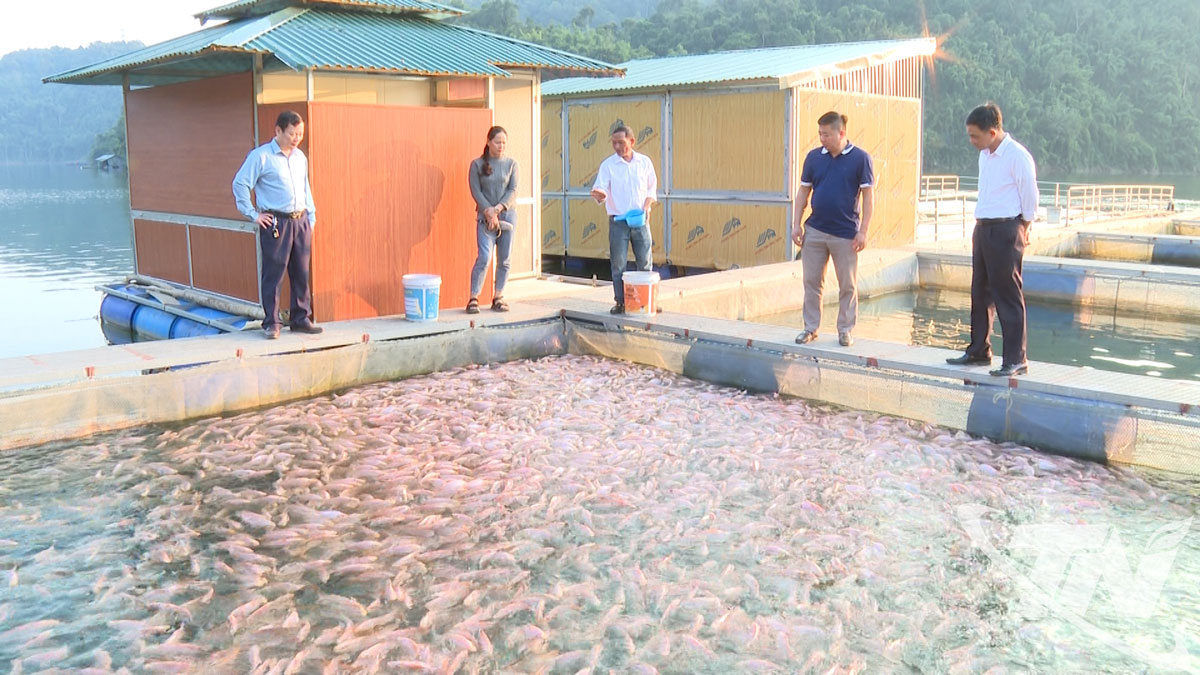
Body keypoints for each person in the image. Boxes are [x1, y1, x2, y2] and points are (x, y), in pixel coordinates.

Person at [946, 102, 1037, 377]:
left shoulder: (1018, 156)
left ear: (993, 132)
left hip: (1007, 228)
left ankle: (1016, 358)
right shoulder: (985, 154)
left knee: (1007, 294)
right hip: (984, 227)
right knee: (981, 291)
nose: (972, 141)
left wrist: (1024, 227)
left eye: (975, 135)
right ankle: (979, 349)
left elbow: (1030, 196)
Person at [232, 110, 320, 339]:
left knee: (301, 272)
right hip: (275, 222)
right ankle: (272, 322)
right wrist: (252, 214)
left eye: (300, 133)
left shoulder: (300, 157)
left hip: (300, 220)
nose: (297, 138)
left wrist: (311, 217)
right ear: (278, 130)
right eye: (292, 133)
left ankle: (301, 318)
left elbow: (304, 188)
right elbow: (240, 184)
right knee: (274, 273)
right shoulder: (261, 156)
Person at [791, 111, 875, 347]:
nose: (822, 138)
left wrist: (864, 231)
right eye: (819, 133)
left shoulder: (861, 159)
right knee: (812, 282)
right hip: (815, 230)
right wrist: (796, 224)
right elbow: (803, 193)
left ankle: (845, 330)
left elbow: (868, 197)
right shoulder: (813, 158)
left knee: (847, 284)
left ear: (841, 133)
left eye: (826, 134)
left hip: (846, 233)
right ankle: (810, 328)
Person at [590, 124, 658, 314]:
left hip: (640, 219)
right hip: (618, 221)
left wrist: (648, 205)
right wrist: (599, 195)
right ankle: (621, 301)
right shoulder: (608, 165)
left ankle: (645, 299)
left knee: (645, 261)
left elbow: (652, 187)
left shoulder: (644, 162)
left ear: (632, 141)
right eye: (614, 143)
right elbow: (601, 188)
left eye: (621, 142)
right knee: (618, 262)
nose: (618, 147)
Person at [466, 126, 518, 313]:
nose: (501, 146)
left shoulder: (512, 164)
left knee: (504, 259)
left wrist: (498, 209)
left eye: (504, 142)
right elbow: (475, 190)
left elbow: (512, 190)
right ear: (488, 142)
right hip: (484, 218)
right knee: (485, 256)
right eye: (497, 142)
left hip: (507, 215)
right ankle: (474, 297)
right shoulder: (477, 164)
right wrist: (488, 211)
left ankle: (499, 296)